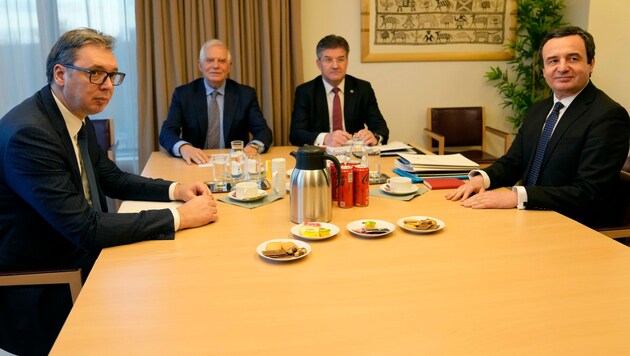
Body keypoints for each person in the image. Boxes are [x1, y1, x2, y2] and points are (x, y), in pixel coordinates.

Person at [0, 28, 218, 355]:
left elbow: (113, 179)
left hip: (78, 251)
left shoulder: (73, 115)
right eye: (96, 74)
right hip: (46, 280)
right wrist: (180, 217)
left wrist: (176, 189)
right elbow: (85, 228)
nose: (106, 86)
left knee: (187, 280)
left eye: (112, 75)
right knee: (169, 310)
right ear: (60, 74)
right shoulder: (30, 134)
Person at [446, 26, 630, 228]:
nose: (562, 67)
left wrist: (516, 197)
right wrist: (481, 180)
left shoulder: (608, 116)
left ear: (591, 64)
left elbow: (589, 192)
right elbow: (514, 162)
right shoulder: (539, 110)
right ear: (543, 71)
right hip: (530, 216)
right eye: (553, 61)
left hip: (574, 226)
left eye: (573, 58)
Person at [159, 39, 273, 164]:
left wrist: (253, 147)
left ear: (229, 66)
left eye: (222, 61)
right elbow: (167, 132)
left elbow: (263, 131)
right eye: (209, 60)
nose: (216, 66)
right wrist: (183, 148)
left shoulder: (245, 94)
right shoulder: (183, 94)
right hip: (195, 163)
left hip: (233, 164)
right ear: (200, 66)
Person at [290, 34, 389, 147]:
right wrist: (325, 138)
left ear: (347, 61)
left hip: (355, 155)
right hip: (321, 156)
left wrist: (374, 137)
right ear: (319, 64)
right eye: (328, 60)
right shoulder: (305, 92)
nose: (335, 65)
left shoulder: (363, 88)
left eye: (340, 59)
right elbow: (296, 134)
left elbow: (381, 129)